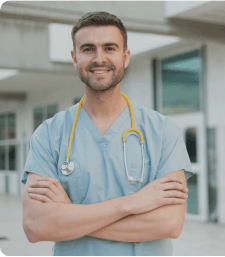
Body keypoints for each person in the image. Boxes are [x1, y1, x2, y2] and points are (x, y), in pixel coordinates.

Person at [21, 11, 193, 256]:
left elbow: (169, 223)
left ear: (125, 57)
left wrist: (70, 216)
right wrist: (132, 204)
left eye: (110, 48)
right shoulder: (49, 134)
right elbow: (36, 226)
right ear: (74, 57)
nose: (99, 58)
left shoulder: (162, 130)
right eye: (88, 49)